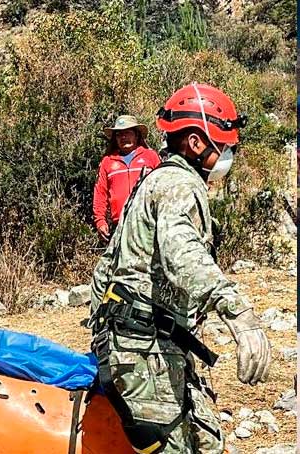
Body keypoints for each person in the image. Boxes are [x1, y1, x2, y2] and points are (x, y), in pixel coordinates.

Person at [89, 83, 270, 454]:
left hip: (151, 343)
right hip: (144, 348)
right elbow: (181, 253)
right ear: (196, 142)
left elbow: (105, 270)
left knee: (206, 441)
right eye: (225, 145)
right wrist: (239, 314)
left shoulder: (153, 179)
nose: (228, 154)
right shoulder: (179, 185)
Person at [92, 115, 161, 243]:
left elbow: (163, 187)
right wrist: (100, 221)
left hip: (148, 222)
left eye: (128, 133)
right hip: (119, 226)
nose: (123, 137)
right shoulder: (107, 162)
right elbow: (100, 193)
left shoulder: (151, 157)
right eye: (119, 134)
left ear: (136, 135)